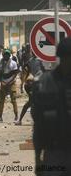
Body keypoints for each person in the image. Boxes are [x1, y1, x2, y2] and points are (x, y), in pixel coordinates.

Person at [32, 37, 71, 176]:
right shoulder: (46, 82)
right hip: (54, 149)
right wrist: (38, 157)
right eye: (67, 58)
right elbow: (38, 123)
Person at [0, 49, 20, 123]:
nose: (6, 56)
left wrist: (9, 82)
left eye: (7, 54)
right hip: (3, 83)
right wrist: (1, 82)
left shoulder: (13, 63)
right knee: (2, 100)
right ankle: (0, 116)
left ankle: (16, 116)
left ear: (9, 55)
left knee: (13, 100)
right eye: (5, 54)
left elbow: (15, 74)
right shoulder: (1, 63)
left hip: (11, 83)